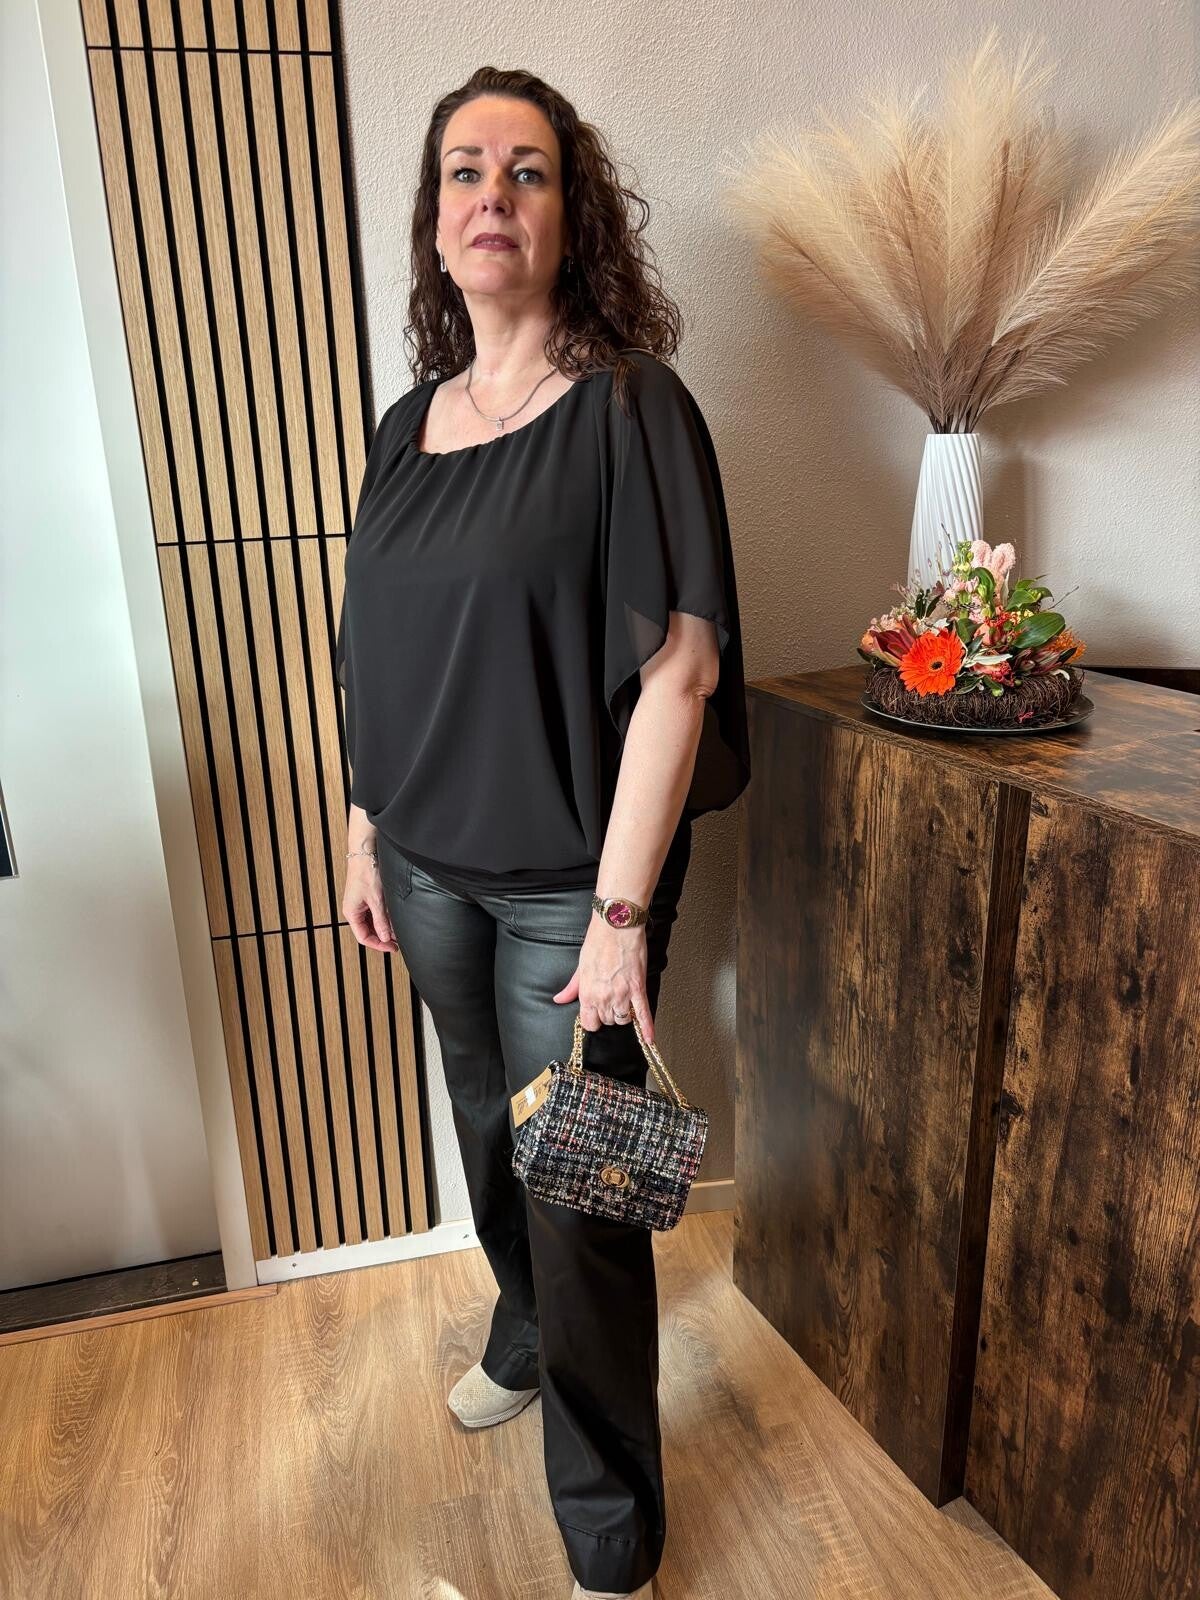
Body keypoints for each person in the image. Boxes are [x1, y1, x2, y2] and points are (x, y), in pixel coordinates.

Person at [335, 65, 751, 1600]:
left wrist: (623, 919)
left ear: (575, 217)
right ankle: (519, 1330)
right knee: (482, 1132)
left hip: (577, 890)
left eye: (528, 171)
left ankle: (609, 1526)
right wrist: (364, 832)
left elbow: (683, 672)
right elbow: (375, 655)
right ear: (434, 218)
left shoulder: (634, 406)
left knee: (586, 1200)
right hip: (427, 865)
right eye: (465, 170)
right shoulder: (407, 427)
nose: (492, 196)